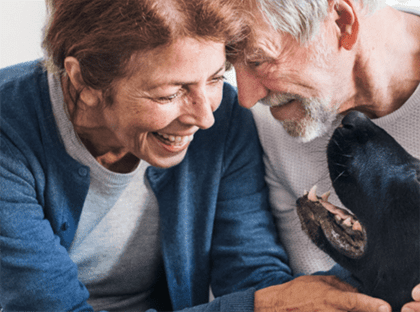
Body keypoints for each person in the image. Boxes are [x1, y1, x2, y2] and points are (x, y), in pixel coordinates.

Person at [1, 0, 395, 311]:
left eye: (215, 77)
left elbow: (254, 281)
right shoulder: (9, 133)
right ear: (84, 80)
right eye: (170, 93)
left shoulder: (222, 116)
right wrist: (259, 305)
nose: (204, 117)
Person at [232, 0, 420, 311]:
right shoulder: (269, 120)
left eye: (258, 60)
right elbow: (269, 289)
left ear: (343, 23)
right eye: (229, 64)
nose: (245, 97)